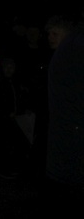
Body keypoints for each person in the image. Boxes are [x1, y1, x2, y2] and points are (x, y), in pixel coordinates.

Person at [42, 19, 83, 215]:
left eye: (54, 34)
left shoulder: (68, 55)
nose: (50, 38)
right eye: (49, 34)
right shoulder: (63, 57)